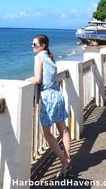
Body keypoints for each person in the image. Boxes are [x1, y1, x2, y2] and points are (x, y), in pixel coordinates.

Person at [26, 34, 71, 178]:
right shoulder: (50, 57)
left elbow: (38, 79)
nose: (32, 46)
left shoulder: (38, 57)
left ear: (42, 46)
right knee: (63, 130)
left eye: (34, 44)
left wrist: (29, 79)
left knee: (46, 133)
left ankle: (64, 162)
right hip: (57, 95)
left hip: (47, 98)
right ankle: (68, 158)